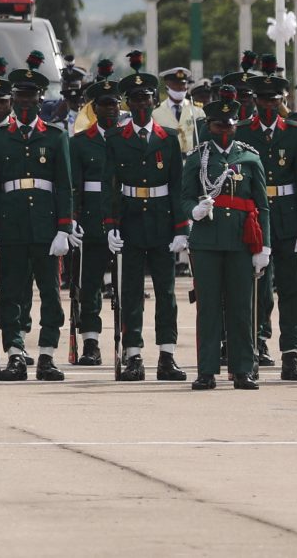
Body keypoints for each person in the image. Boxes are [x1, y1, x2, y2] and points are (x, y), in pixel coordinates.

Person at [0, 67, 72, 381]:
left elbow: (64, 186)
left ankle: (46, 355)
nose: (25, 102)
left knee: (50, 294)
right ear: (13, 100)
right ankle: (15, 354)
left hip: (46, 227)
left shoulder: (55, 136)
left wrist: (64, 228)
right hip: (12, 225)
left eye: (31, 96)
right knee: (10, 294)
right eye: (20, 96)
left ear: (40, 99)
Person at [178, 86, 266, 390]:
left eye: (229, 125)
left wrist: (264, 246)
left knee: (241, 308)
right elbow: (184, 197)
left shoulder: (249, 157)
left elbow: (262, 205)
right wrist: (194, 211)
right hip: (207, 242)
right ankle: (207, 370)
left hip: (241, 242)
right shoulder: (197, 158)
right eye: (218, 126)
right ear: (209, 126)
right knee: (209, 308)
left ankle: (242, 369)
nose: (225, 130)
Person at [109, 73, 186, 381]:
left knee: (166, 292)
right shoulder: (116, 138)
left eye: (147, 98)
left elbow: (177, 186)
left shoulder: (169, 138)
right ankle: (133, 355)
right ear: (128, 103)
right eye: (136, 99)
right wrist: (111, 225)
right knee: (131, 292)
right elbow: (110, 186)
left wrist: (181, 229)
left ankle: (167, 355)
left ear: (155, 101)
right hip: (130, 221)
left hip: (161, 222)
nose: (142, 104)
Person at [240, 75, 297, 381]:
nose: (269, 105)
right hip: (255, 219)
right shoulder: (243, 131)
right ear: (255, 101)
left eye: (274, 99)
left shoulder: (295, 132)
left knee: (290, 289)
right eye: (263, 99)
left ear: (282, 100)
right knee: (256, 288)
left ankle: (291, 353)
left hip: (286, 219)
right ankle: (255, 346)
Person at [67, 76, 119, 368]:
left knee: (127, 286)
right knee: (89, 285)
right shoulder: (80, 142)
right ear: (94, 108)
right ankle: (90, 341)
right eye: (104, 104)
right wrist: (72, 220)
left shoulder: (128, 138)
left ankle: (129, 343)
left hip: (124, 220)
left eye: (114, 104)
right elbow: (74, 186)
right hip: (92, 222)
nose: (110, 108)